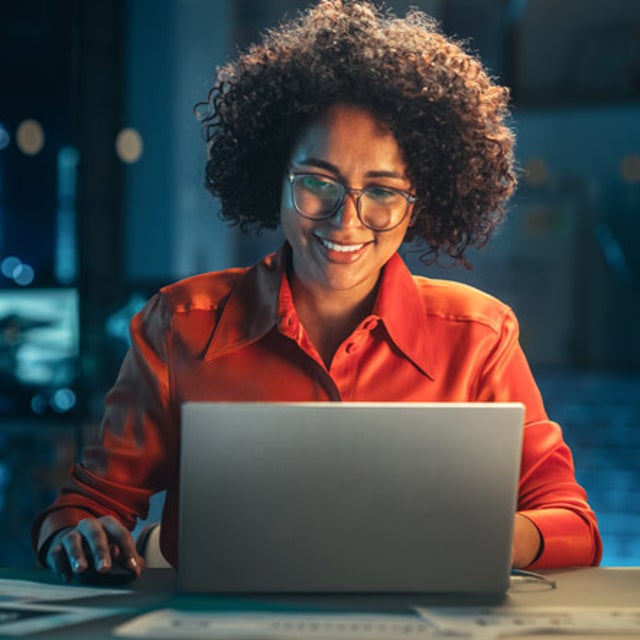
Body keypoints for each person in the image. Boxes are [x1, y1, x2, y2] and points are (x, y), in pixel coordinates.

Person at [33, 0, 601, 581]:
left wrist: (489, 538)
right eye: (316, 183)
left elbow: (574, 524)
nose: (345, 221)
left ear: (419, 204)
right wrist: (82, 533)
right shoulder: (181, 324)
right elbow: (86, 506)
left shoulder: (479, 336)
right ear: (274, 180)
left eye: (382, 191)